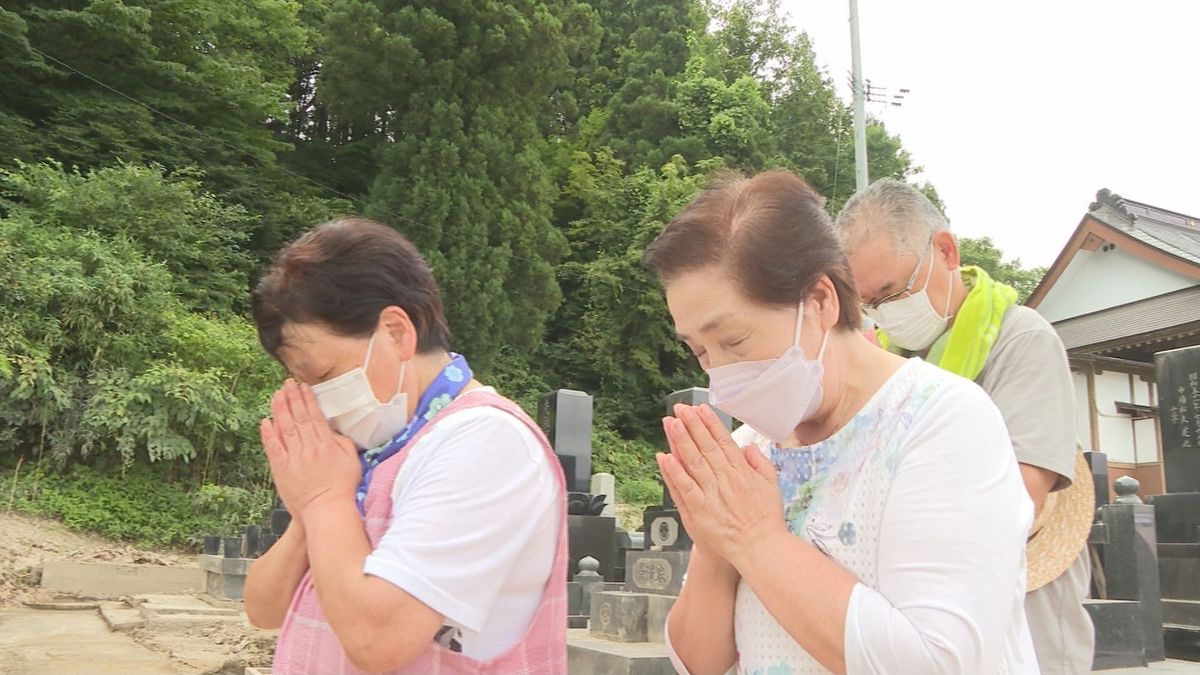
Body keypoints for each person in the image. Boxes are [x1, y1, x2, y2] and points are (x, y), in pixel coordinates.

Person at [642, 170, 1038, 674]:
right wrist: (716, 548)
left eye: (735, 341)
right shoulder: (748, 451)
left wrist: (755, 539)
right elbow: (698, 664)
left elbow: (936, 662)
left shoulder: (942, 420)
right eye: (699, 350)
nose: (720, 372)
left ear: (821, 301)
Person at [242, 217, 567, 674]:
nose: (319, 402)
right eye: (303, 384)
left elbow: (379, 639)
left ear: (396, 332)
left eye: (326, 377)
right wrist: (308, 510)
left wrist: (323, 501)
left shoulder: (484, 442)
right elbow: (264, 609)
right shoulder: (372, 452)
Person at [835, 179, 1093, 675]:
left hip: (1025, 610)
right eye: (870, 303)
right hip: (922, 616)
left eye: (892, 291)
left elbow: (1023, 495)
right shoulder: (885, 359)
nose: (886, 314)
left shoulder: (1021, 341)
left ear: (946, 251)